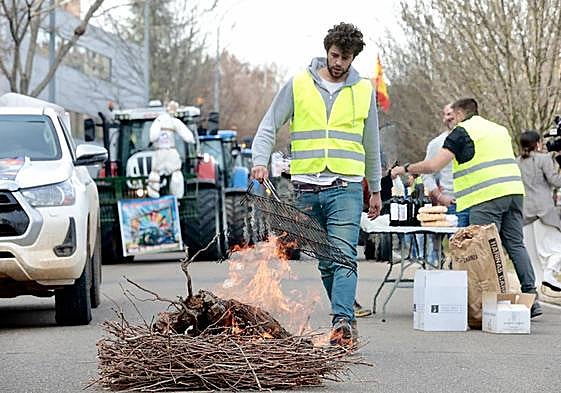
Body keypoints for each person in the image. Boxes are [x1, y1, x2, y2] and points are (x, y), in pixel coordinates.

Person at [251, 22, 382, 346]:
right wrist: (259, 160)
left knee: (344, 255)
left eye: (346, 58)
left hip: (346, 187)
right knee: (326, 261)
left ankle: (342, 321)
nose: (339, 63)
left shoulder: (364, 90)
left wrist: (376, 188)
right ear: (327, 52)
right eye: (335, 55)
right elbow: (269, 125)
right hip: (307, 188)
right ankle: (344, 316)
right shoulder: (298, 84)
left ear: (353, 59)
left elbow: (372, 143)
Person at [391, 98, 542, 318]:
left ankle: (485, 304)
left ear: (460, 113)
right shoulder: (498, 129)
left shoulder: (461, 132)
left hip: (485, 196)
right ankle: (532, 297)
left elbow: (434, 165)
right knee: (515, 244)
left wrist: (404, 168)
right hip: (514, 192)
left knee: (481, 250)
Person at [517, 130, 561, 292]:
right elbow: (556, 181)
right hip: (544, 211)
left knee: (533, 256)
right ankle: (550, 274)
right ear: (537, 143)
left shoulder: (517, 162)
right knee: (557, 247)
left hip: (526, 212)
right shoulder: (543, 159)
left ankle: (533, 294)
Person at [422, 103, 469, 227]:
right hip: (452, 204)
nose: (451, 117)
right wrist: (439, 196)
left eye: (454, 113)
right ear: (443, 118)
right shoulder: (436, 144)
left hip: (476, 203)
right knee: (458, 244)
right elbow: (426, 174)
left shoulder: (474, 138)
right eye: (448, 114)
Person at [147, 100, 195, 199]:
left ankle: (153, 195)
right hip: (170, 152)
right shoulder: (174, 121)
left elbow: (153, 136)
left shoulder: (159, 121)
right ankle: (177, 198)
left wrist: (153, 139)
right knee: (176, 172)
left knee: (155, 172)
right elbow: (187, 135)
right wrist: (192, 140)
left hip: (159, 152)